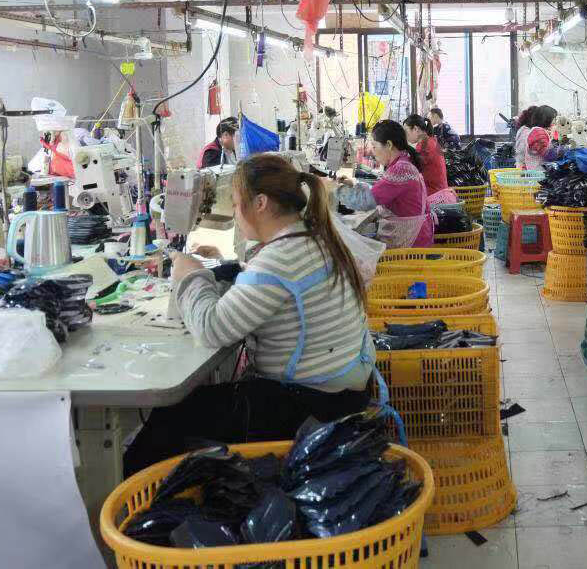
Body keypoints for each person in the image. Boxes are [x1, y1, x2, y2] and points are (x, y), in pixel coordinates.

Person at [125, 154, 372, 474]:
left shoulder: (279, 258)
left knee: (170, 416)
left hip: (310, 406)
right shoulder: (310, 236)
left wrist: (190, 276)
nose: (235, 214)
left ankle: (132, 508)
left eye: (237, 203)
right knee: (202, 405)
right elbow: (276, 285)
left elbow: (212, 329)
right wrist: (232, 268)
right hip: (342, 393)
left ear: (260, 203)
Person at [339, 120, 434, 248]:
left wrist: (334, 190)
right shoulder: (403, 163)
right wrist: (353, 185)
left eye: (374, 146)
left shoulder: (401, 169)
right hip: (417, 236)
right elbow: (381, 192)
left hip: (412, 244)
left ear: (388, 145)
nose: (372, 151)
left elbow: (365, 201)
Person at [404, 113, 458, 207]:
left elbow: (412, 171)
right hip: (440, 192)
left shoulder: (424, 145)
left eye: (406, 131)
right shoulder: (431, 141)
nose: (405, 135)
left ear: (416, 129)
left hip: (434, 197)